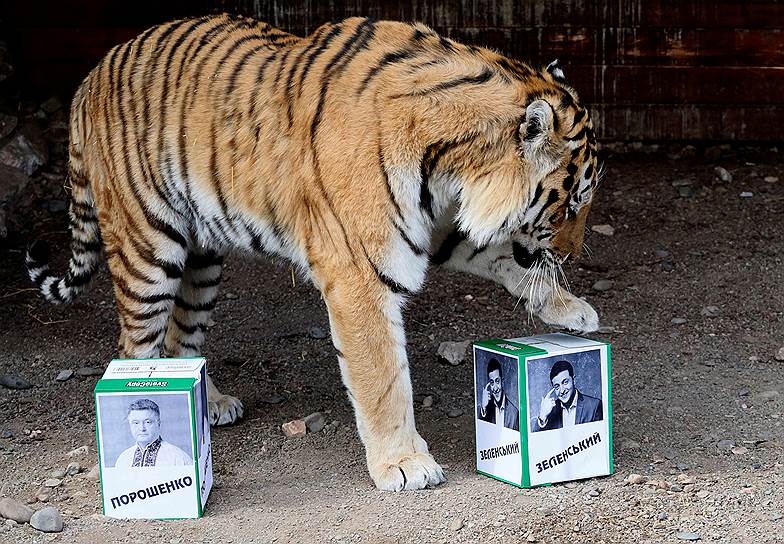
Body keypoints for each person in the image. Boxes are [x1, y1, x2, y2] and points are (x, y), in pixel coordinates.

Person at [115, 398, 192, 467]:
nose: (142, 428)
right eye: (136, 423)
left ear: (158, 423)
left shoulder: (177, 457)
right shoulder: (123, 459)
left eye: (148, 422)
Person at [533, 360, 602, 432]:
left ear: (574, 380)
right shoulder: (551, 411)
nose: (562, 390)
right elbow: (534, 440)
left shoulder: (594, 406)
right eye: (557, 387)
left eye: (565, 382)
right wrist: (542, 416)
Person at [477, 358, 520, 431]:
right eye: (492, 383)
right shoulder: (485, 410)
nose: (495, 388)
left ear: (502, 382)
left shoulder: (514, 412)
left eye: (497, 381)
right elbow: (481, 431)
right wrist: (484, 407)